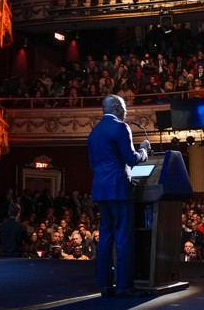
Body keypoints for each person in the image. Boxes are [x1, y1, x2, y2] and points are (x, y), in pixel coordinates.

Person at [87, 94, 150, 297]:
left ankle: (105, 285)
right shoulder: (121, 127)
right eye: (124, 107)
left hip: (100, 189)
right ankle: (124, 286)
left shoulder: (94, 133)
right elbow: (131, 159)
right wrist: (143, 151)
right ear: (115, 107)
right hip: (119, 190)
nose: (126, 111)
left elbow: (92, 164)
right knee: (123, 237)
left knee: (105, 237)